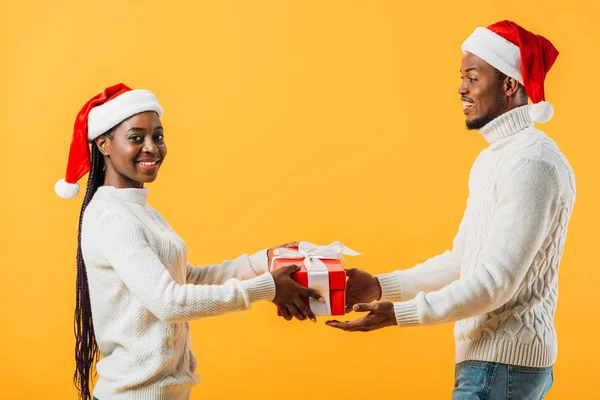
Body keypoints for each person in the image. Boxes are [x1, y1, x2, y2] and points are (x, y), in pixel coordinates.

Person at [326, 20, 575, 399]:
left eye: (472, 78)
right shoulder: (495, 160)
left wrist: (400, 314)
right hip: (487, 364)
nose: (461, 88)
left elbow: (493, 283)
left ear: (509, 85)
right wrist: (380, 286)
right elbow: (463, 262)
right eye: (462, 77)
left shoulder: (531, 163)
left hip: (503, 367)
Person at [55, 83, 324, 400]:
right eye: (135, 137)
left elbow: (184, 278)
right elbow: (169, 302)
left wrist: (260, 261)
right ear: (104, 144)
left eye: (157, 136)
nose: (152, 148)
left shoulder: (136, 208)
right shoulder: (113, 217)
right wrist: (267, 287)